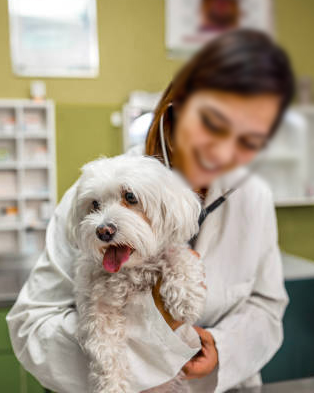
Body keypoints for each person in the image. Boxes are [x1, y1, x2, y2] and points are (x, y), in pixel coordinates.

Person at [7, 30, 295, 393]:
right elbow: (33, 324)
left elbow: (266, 306)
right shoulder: (96, 194)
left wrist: (223, 348)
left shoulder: (253, 196)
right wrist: (126, 360)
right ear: (174, 123)